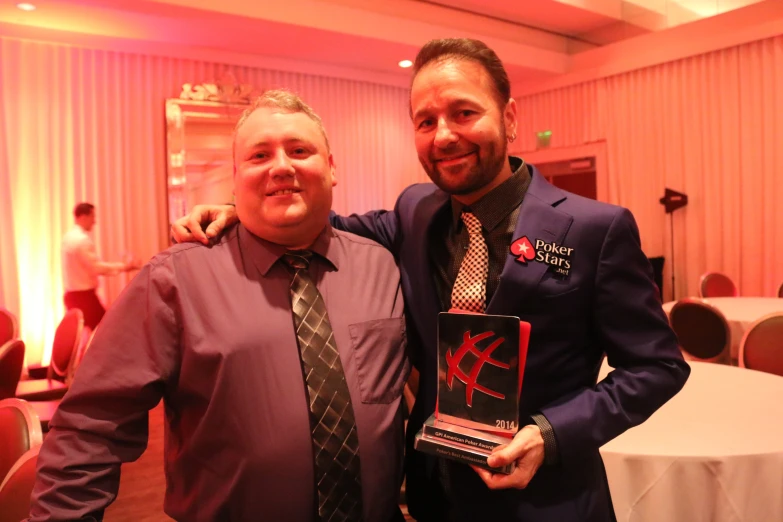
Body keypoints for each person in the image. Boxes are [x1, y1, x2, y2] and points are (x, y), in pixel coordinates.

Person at [172, 39, 690, 522]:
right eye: (426, 121)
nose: (443, 135)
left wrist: (550, 436)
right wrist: (245, 208)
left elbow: (657, 366)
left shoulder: (595, 229)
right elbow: (324, 223)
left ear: (509, 119)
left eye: (464, 113)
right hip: (433, 496)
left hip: (548, 500)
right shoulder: (414, 212)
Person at [28, 90, 409, 522]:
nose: (281, 166)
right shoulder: (174, 280)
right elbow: (90, 428)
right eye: (259, 155)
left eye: (300, 150)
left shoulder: (381, 265)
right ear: (235, 177)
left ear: (332, 166)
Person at [61, 202, 140, 329]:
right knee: (107, 329)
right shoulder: (81, 240)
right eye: (93, 217)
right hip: (84, 298)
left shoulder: (67, 238)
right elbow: (96, 268)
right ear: (83, 217)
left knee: (84, 334)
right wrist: (125, 267)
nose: (95, 221)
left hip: (71, 296)